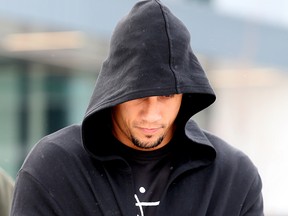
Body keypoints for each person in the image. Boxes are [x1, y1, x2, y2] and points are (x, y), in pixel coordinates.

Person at [11, 0, 264, 215]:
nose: (151, 114)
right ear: (114, 91)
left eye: (166, 96)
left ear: (185, 95)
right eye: (138, 96)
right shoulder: (55, 168)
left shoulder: (233, 178)